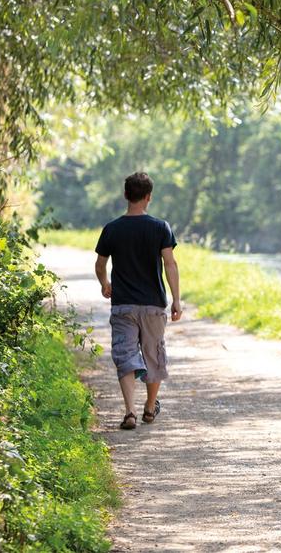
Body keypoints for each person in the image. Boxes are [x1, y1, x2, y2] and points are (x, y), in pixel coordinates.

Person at [94, 172, 182, 430]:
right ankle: (149, 407)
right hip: (153, 304)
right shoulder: (160, 228)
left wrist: (105, 285)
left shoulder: (112, 228)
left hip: (123, 305)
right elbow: (170, 263)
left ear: (125, 195)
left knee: (125, 354)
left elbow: (100, 264)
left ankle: (130, 411)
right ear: (148, 197)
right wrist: (176, 299)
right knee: (153, 354)